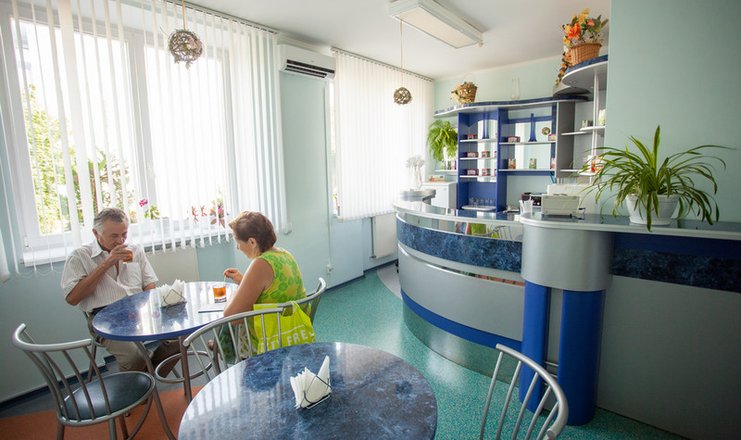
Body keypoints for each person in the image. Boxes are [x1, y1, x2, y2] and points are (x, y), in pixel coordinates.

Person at [61, 208, 179, 372]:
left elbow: (149, 283)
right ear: (96, 233)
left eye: (124, 234)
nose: (120, 241)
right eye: (114, 236)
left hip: (139, 311)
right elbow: (72, 299)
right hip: (104, 319)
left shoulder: (134, 250)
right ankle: (142, 376)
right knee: (134, 357)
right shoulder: (79, 256)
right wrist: (107, 263)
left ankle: (145, 376)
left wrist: (145, 307)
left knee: (180, 338)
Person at [222, 211, 306, 316]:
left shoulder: (261, 263)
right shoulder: (285, 254)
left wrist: (237, 291)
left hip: (275, 326)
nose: (238, 248)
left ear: (252, 242)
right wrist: (243, 281)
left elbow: (231, 316)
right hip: (296, 323)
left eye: (238, 243)